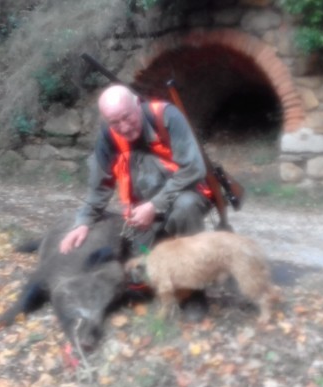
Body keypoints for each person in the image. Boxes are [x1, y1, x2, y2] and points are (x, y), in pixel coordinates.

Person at [59, 84, 213, 318]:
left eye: (126, 117)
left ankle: (195, 291)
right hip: (143, 211)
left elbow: (194, 168)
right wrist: (83, 222)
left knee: (185, 208)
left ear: (137, 105)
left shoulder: (167, 116)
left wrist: (155, 205)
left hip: (185, 195)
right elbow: (99, 189)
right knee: (138, 269)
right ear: (106, 121)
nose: (123, 126)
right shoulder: (108, 138)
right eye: (114, 122)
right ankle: (160, 262)